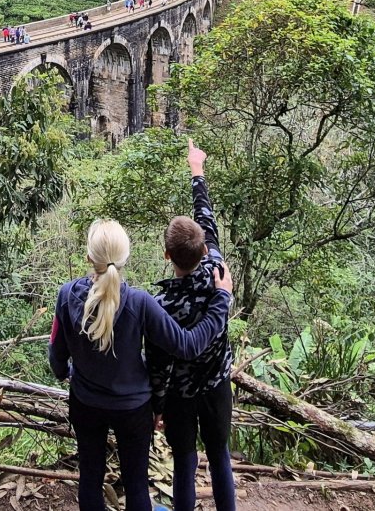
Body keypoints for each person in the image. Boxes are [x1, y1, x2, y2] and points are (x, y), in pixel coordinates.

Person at [50, 219, 233, 511]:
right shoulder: (140, 302)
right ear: (125, 258)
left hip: (86, 403)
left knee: (90, 478)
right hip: (132, 408)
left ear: (88, 257)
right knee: (136, 484)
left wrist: (68, 373)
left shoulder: (66, 295)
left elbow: (57, 356)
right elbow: (188, 345)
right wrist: (222, 298)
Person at [148, 139, 236, 511]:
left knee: (185, 463)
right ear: (203, 250)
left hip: (179, 396)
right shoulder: (218, 272)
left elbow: (157, 363)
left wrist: (156, 405)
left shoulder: (160, 305)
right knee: (220, 457)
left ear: (167, 255)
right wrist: (196, 170)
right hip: (217, 384)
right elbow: (207, 219)